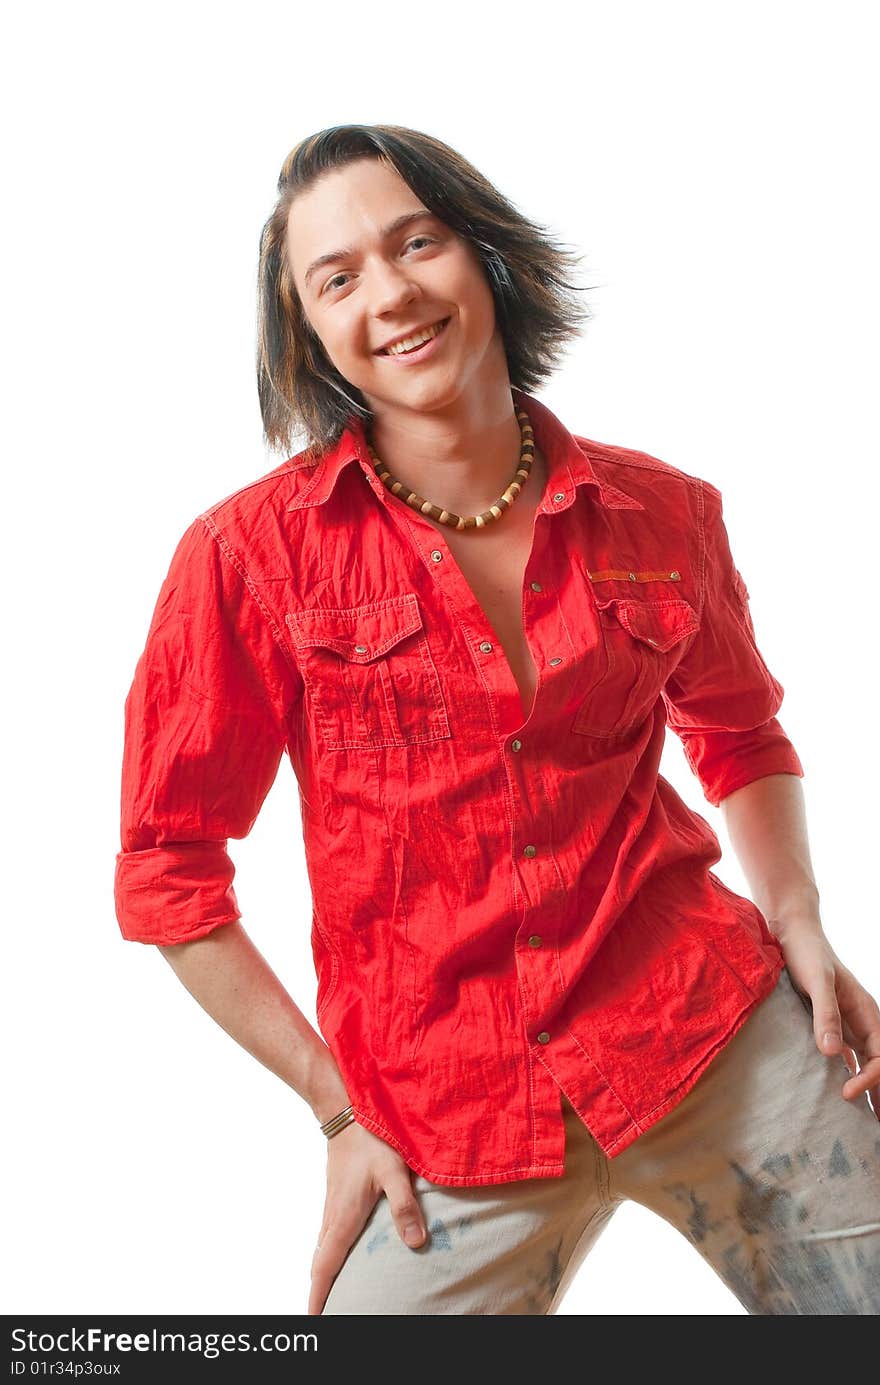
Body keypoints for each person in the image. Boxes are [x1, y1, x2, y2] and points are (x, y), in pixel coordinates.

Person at [113, 124, 880, 1316]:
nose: (394, 291)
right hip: (444, 1116)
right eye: (340, 276)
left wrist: (800, 921)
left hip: (709, 1028)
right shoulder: (245, 557)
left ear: (485, 256)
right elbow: (169, 871)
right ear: (309, 333)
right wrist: (334, 1103)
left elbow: (737, 731)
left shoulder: (663, 511)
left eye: (417, 241)